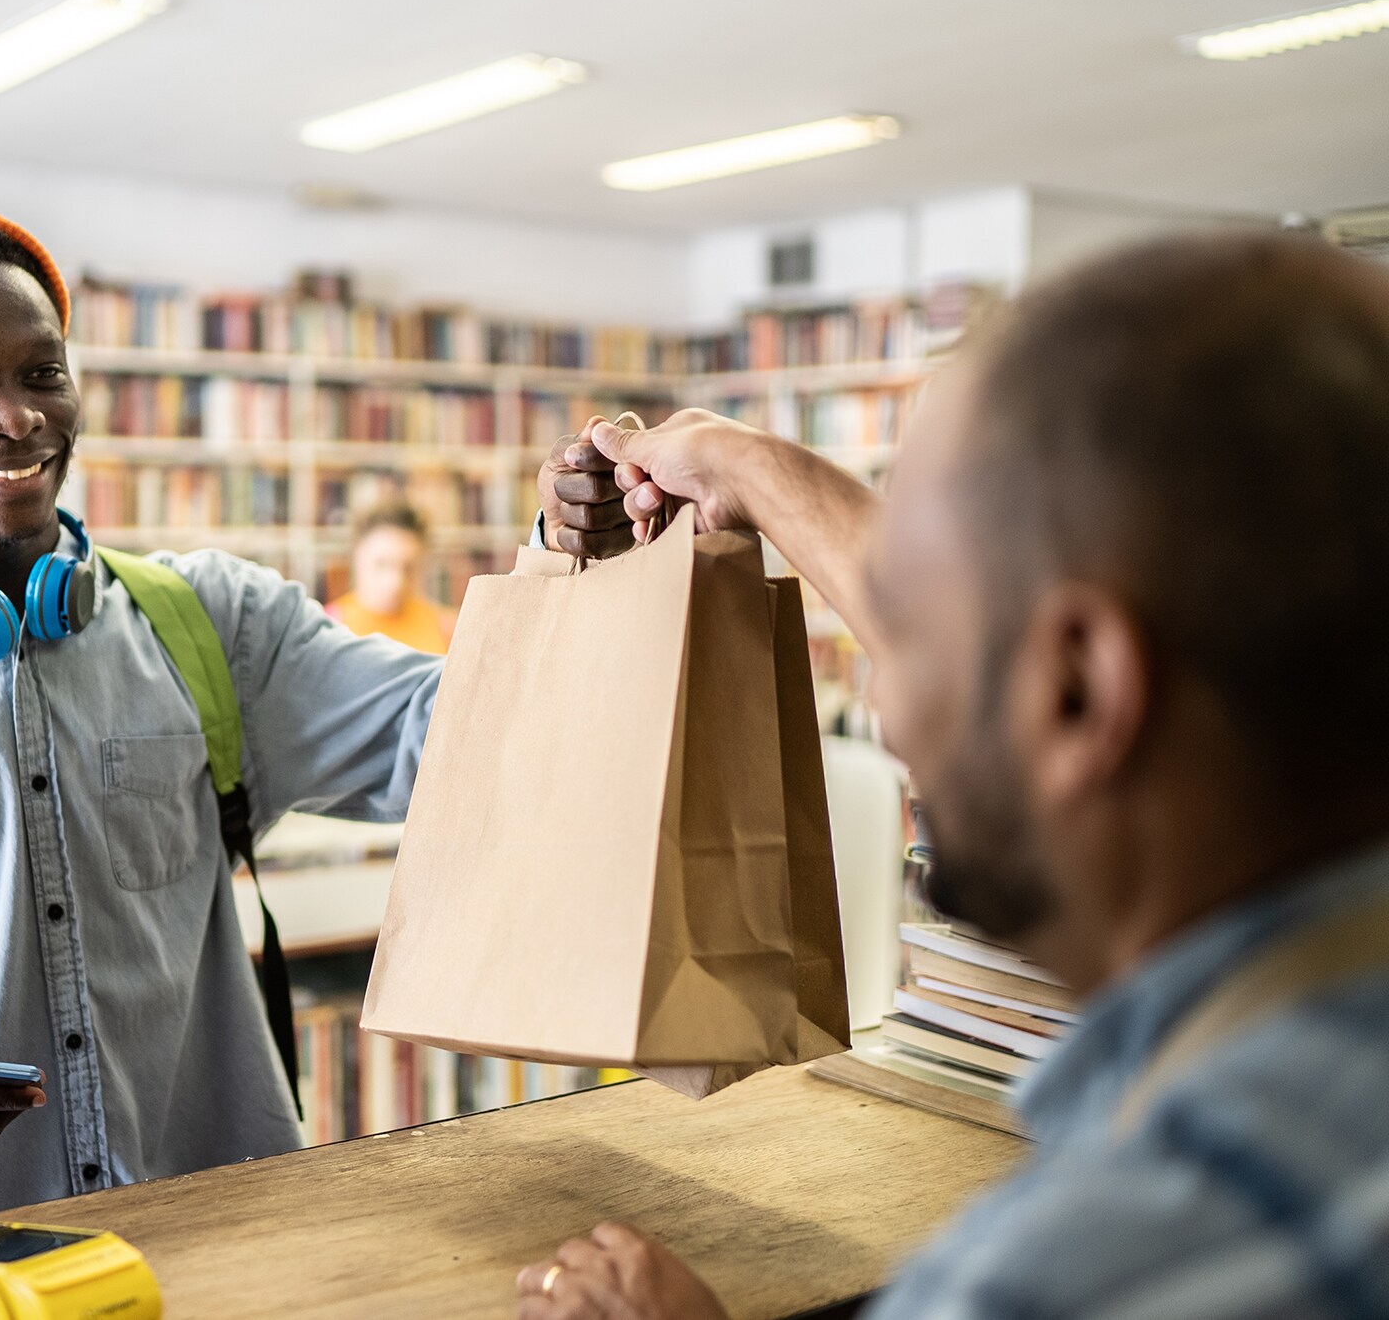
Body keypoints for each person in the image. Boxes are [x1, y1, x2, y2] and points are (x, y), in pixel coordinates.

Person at [0, 198, 633, 1239]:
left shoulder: (214, 623)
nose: (12, 417)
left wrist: (558, 554)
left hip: (234, 1244)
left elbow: (457, 734)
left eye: (41, 372)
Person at [515, 232, 1389, 1318]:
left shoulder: (1067, 1275)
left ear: (1076, 690)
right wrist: (748, 467)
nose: (884, 715)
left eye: (915, 624)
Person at [325, 502, 455, 653]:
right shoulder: (326, 628)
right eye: (382, 564)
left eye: (408, 568)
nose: (395, 582)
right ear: (356, 556)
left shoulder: (447, 628)